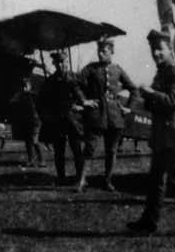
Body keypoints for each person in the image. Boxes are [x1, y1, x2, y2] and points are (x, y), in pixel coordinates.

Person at [127, 30, 175, 236]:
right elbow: (160, 102)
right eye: (153, 50)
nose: (156, 54)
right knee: (156, 181)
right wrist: (147, 98)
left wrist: (152, 94)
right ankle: (149, 222)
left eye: (160, 50)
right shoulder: (162, 72)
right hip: (163, 134)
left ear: (169, 49)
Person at [79, 37, 138, 191]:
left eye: (104, 51)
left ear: (111, 52)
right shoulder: (90, 69)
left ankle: (107, 180)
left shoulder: (117, 69)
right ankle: (81, 180)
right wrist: (84, 101)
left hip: (114, 116)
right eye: (99, 50)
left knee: (111, 150)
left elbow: (134, 89)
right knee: (90, 148)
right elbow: (76, 84)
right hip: (96, 115)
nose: (100, 54)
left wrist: (129, 108)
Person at [37, 52, 88, 188]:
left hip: (73, 119)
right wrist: (46, 117)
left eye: (64, 61)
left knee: (77, 150)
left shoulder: (75, 78)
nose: (62, 64)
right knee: (59, 152)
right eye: (58, 62)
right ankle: (61, 178)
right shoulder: (50, 81)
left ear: (67, 62)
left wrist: (82, 106)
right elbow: (41, 102)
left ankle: (80, 178)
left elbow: (84, 94)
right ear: (54, 64)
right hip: (57, 120)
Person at [10, 76, 44, 167]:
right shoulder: (22, 96)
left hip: (35, 121)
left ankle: (41, 160)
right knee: (29, 142)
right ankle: (32, 160)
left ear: (29, 86)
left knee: (34, 141)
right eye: (22, 86)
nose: (24, 88)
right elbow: (12, 101)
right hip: (28, 121)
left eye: (26, 86)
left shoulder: (33, 95)